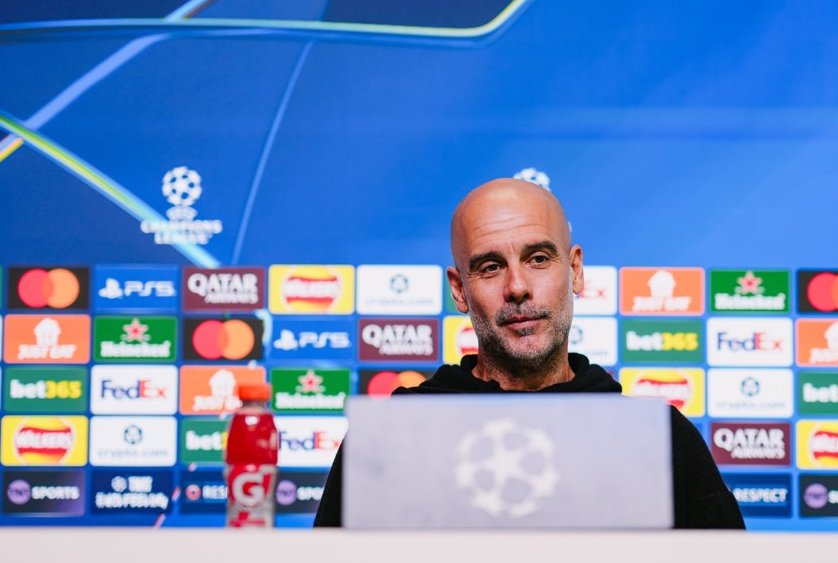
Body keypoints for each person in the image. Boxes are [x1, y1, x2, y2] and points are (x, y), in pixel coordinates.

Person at [314, 178, 745, 529]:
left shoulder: (658, 439)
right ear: (460, 290)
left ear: (574, 270)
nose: (517, 287)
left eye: (538, 259)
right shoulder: (392, 440)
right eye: (490, 267)